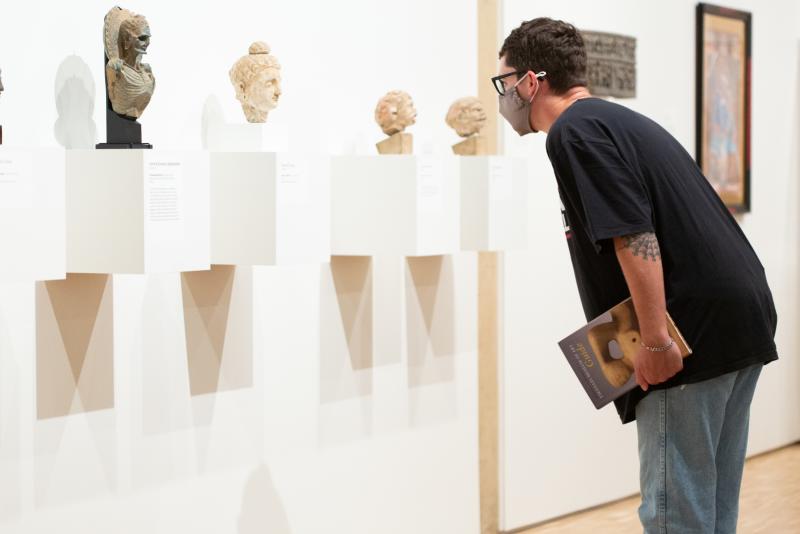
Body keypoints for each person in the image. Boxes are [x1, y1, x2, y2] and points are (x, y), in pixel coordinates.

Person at [494, 17, 778, 533]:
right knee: (711, 504)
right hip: (740, 315)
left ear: (530, 82)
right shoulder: (619, 121)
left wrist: (653, 341)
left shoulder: (573, 132)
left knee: (676, 511)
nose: (503, 96)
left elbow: (632, 234)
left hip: (692, 329)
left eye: (504, 82)